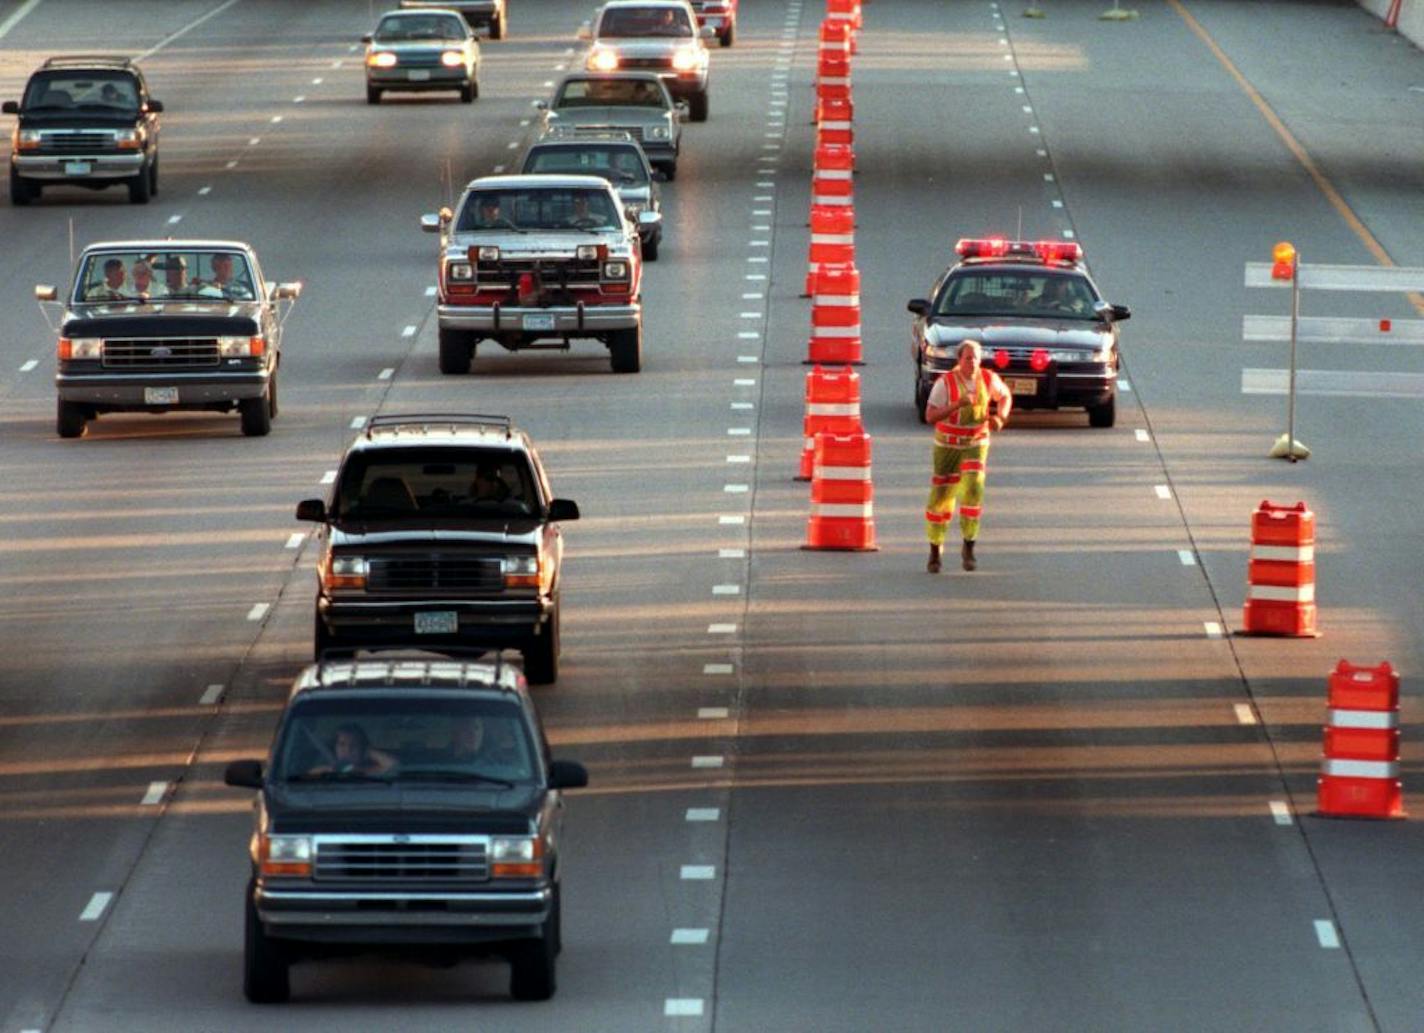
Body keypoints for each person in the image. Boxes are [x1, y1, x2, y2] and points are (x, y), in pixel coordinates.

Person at [923, 339, 1013, 573]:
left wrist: (1000, 417)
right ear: (959, 360)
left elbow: (1005, 396)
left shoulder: (987, 379)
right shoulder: (945, 384)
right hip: (947, 446)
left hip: (976, 441)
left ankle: (969, 545)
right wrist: (955, 406)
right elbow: (930, 416)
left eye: (975, 358)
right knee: (942, 497)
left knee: (973, 489)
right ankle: (935, 550)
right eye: (967, 358)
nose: (971, 363)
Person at [309, 723, 396, 776]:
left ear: (362, 749)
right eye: (342, 744)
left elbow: (394, 766)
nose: (348, 749)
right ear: (334, 747)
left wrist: (370, 752)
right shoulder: (323, 772)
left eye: (354, 745)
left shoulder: (371, 771)